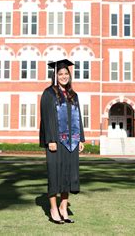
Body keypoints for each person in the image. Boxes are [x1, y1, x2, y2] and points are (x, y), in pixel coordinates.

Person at [39, 59, 85, 224]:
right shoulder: (49, 93)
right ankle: (53, 208)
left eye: (66, 73)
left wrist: (81, 138)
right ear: (55, 75)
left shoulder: (73, 95)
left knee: (68, 175)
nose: (64, 76)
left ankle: (63, 208)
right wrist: (50, 139)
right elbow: (47, 118)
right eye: (60, 74)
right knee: (55, 174)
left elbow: (78, 117)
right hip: (56, 142)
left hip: (72, 142)